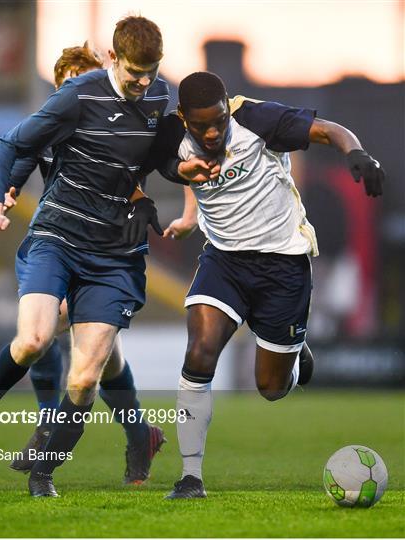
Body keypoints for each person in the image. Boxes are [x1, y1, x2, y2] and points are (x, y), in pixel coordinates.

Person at [0, 16, 182, 498]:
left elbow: (147, 162)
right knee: (36, 339)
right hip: (58, 240)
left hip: (112, 255)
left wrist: (160, 189)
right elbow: (15, 149)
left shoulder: (155, 100)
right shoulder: (70, 107)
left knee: (91, 369)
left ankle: (47, 465)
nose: (143, 82)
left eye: (150, 72)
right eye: (135, 72)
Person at [157, 71, 385, 498]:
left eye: (219, 121)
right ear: (182, 117)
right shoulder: (169, 132)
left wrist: (358, 155)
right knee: (200, 353)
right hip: (223, 260)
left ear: (228, 108)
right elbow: (149, 158)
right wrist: (175, 169)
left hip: (283, 264)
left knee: (271, 388)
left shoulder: (259, 119)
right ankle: (191, 477)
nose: (211, 132)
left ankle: (294, 358)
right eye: (200, 125)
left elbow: (331, 130)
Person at [4, 41, 165, 484]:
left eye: (79, 87)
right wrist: (1, 196)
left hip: (109, 253)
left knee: (54, 330)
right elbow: (14, 158)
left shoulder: (124, 124)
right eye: (64, 90)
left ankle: (48, 428)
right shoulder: (51, 129)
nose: (71, 99)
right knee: (101, 358)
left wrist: (161, 205)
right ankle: (139, 434)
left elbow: (146, 171)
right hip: (64, 243)